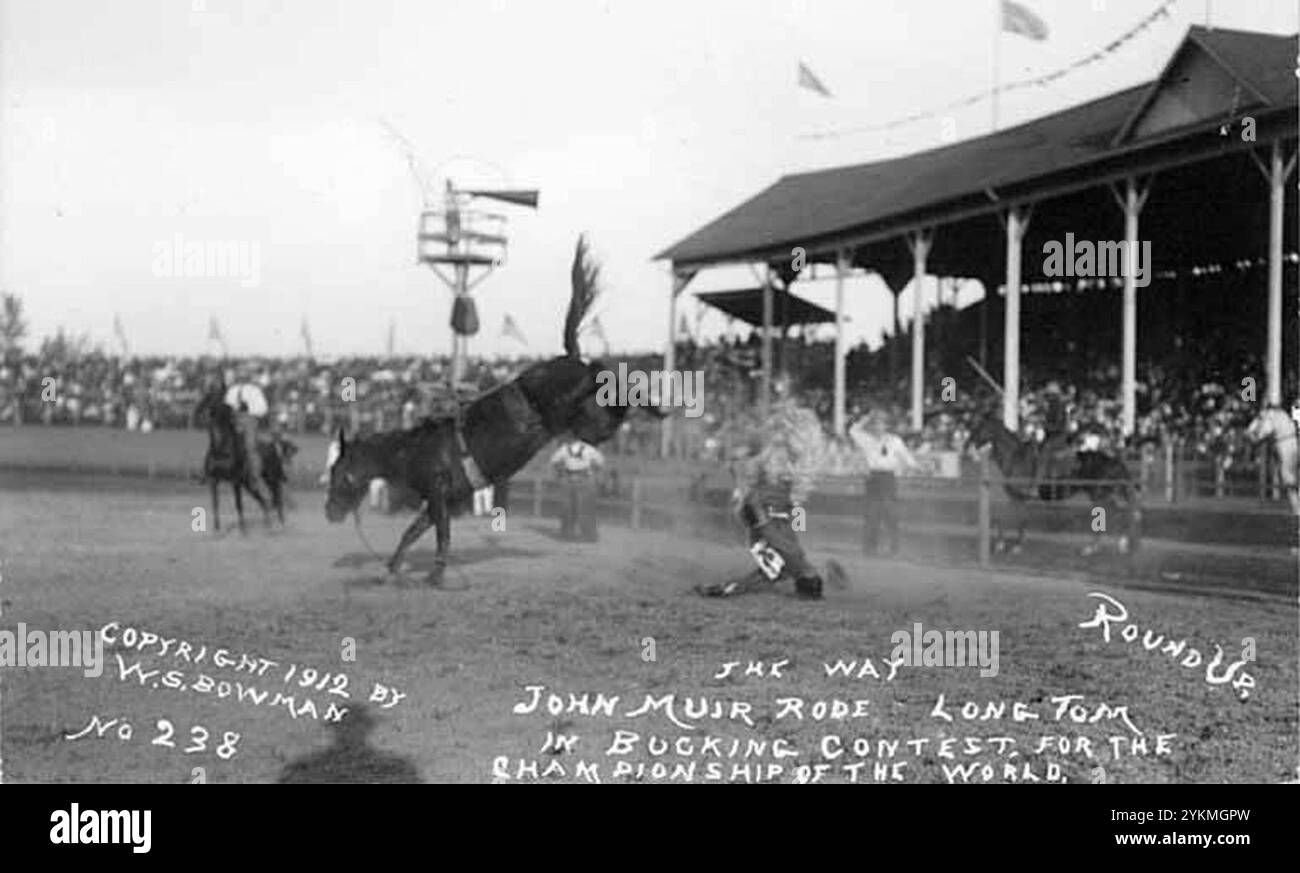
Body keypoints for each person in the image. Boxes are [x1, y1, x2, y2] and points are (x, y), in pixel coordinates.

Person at [697, 389, 840, 601]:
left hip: (768, 509)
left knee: (773, 562)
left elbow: (772, 551)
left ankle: (724, 587)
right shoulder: (784, 454)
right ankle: (725, 587)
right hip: (770, 508)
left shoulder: (780, 454)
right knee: (775, 560)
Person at [849, 409, 918, 556]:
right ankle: (870, 548)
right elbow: (853, 430)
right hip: (873, 477)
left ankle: (894, 547)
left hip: (888, 478)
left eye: (881, 423)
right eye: (875, 424)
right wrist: (866, 417)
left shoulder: (895, 440)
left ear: (886, 426)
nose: (877, 426)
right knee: (871, 514)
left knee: (890, 514)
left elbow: (907, 458)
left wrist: (916, 467)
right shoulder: (866, 439)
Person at [550, 435, 604, 541]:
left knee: (583, 507)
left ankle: (587, 534)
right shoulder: (565, 449)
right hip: (572, 478)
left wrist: (593, 474)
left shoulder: (586, 449)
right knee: (569, 506)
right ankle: (568, 533)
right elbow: (600, 462)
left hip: (581, 478)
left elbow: (600, 462)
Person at [224, 377, 270, 484]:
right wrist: (232, 411)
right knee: (221, 440)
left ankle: (255, 473)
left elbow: (263, 408)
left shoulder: (254, 390)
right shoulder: (232, 390)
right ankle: (216, 468)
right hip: (234, 419)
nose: (241, 376)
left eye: (244, 374)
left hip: (250, 419)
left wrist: (249, 409)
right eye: (240, 373)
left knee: (250, 445)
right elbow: (227, 405)